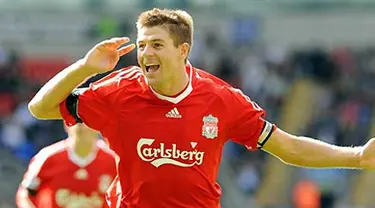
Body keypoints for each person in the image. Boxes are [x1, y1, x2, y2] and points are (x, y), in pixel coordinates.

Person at [27, 8, 375, 208]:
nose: (146, 53)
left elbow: (288, 147)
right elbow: (40, 108)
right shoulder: (117, 91)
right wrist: (87, 67)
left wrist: (357, 156)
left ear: (183, 50)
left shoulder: (220, 99)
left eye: (157, 45)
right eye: (142, 45)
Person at [16, 123, 117, 208]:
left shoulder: (113, 160)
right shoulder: (48, 157)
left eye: (88, 121)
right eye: (78, 121)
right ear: (66, 124)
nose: (84, 126)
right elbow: (25, 194)